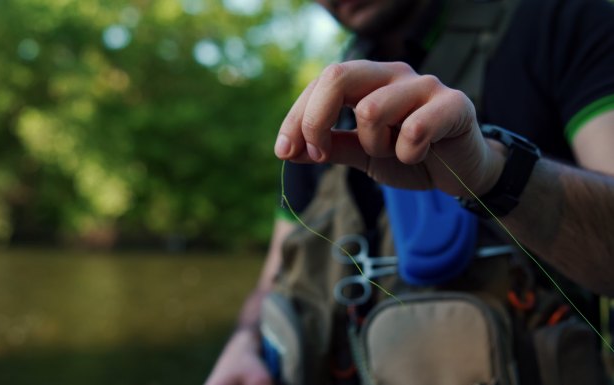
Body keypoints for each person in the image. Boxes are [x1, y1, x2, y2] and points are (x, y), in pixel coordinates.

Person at [206, 0, 614, 384]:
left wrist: (494, 173)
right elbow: (274, 277)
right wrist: (245, 343)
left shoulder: (566, 20)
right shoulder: (321, 108)